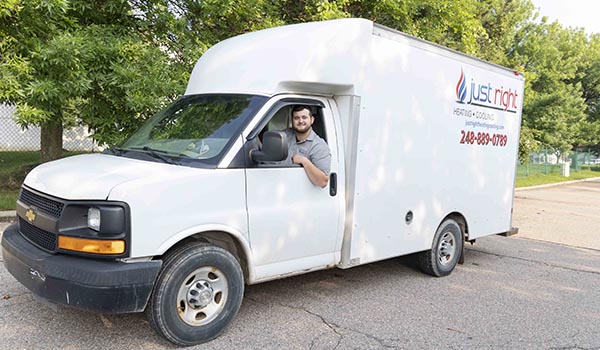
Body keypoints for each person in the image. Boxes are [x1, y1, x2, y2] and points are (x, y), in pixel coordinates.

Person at [281, 105, 331, 188]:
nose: (300, 121)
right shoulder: (284, 135)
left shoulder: (319, 146)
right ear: (292, 120)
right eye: (296, 118)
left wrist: (304, 161)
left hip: (303, 195)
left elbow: (323, 182)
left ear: (312, 120)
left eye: (304, 117)